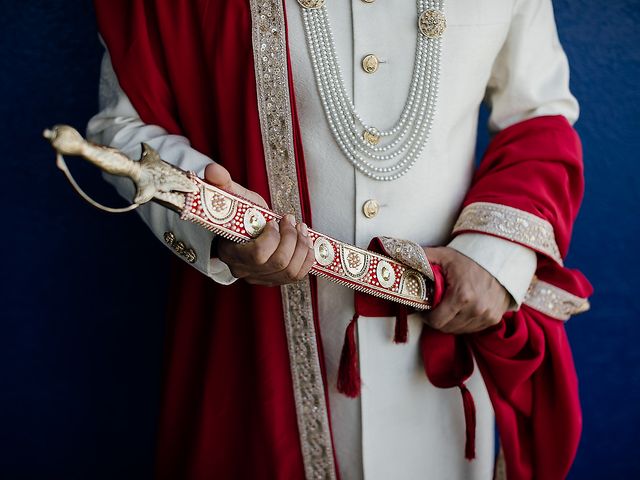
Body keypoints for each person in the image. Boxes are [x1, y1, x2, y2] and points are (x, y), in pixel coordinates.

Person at [88, 1, 592, 479]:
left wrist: (494, 257)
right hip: (251, 360)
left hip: (444, 370)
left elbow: (539, 114)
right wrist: (219, 226)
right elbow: (123, 126)